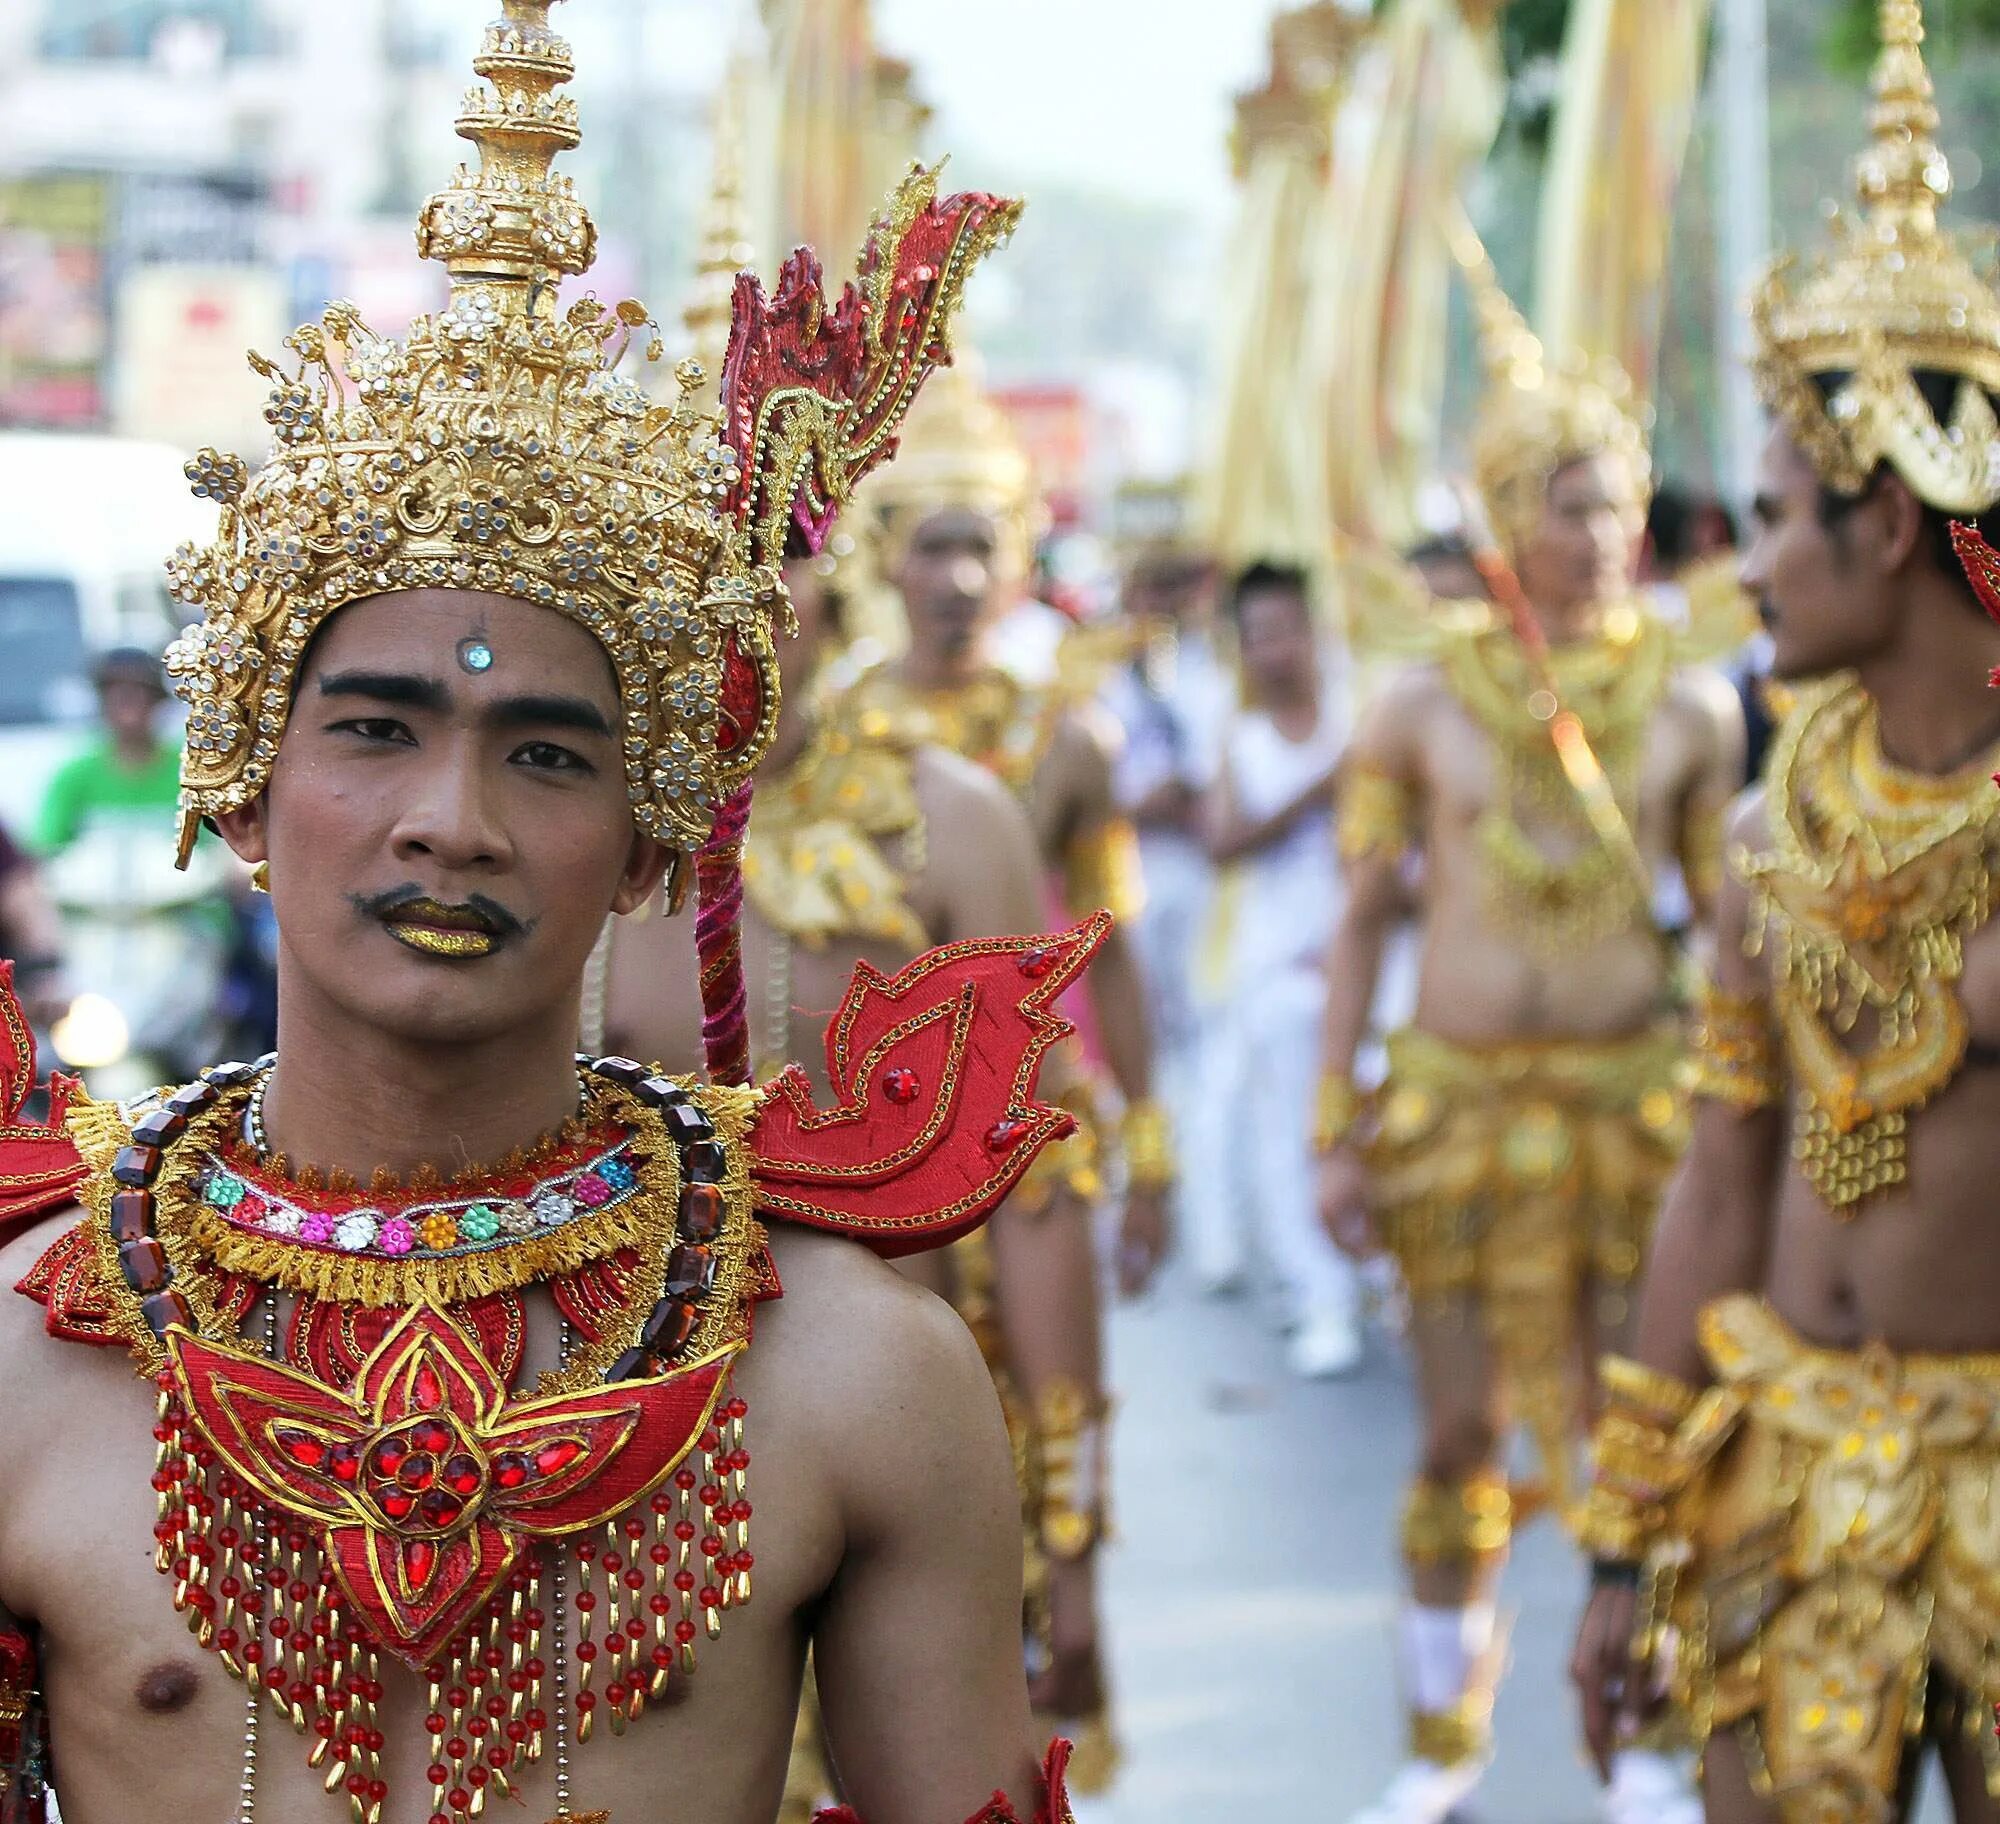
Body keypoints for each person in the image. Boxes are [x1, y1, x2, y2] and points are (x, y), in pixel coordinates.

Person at [0, 12, 1080, 1823]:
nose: (453, 817)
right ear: (245, 792)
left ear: (654, 846)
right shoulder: (29, 1355)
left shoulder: (851, 1367)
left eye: (548, 752)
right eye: (374, 726)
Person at [1571, 9, 2000, 1819]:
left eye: (1770, 515)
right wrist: (1618, 1528)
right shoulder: (1768, 825)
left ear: (1886, 520)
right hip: (1786, 1450)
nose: (1741, 559)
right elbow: (1724, 1166)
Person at [1314, 237, 1744, 1824]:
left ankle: (1638, 1744)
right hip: (1453, 1114)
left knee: (1649, 1445)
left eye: (1620, 497)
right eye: (1572, 500)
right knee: (1456, 1439)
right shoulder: (1416, 707)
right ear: (1507, 518)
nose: (1608, 530)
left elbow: (1732, 941)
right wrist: (1331, 1129)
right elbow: (1359, 925)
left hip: (1644, 1111)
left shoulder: (1697, 708)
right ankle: (1444, 1747)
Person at [604, 528, 1118, 1781]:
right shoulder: (568, 826)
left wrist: (1069, 1528)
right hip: (596, 1455)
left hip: (889, 1460)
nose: (738, 589)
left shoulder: (950, 820)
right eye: (694, 543)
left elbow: (1038, 1188)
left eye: (774, 549)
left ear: (838, 575)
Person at [844, 365, 1174, 1297]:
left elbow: (1110, 947)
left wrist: (1148, 1148)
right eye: (934, 546)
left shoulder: (1069, 743)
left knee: (1054, 1427)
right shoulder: (833, 739)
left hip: (1036, 1125)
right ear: (885, 559)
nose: (959, 577)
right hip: (873, 1139)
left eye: (981, 547)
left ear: (1018, 560)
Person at [1187, 561, 1361, 1376]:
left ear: (1313, 629)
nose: (1273, 649)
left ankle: (1375, 1280)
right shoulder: (1245, 739)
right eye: (1256, 636)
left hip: (1368, 965)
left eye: (1284, 629)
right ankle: (1321, 1298)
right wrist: (1319, 791)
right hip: (1278, 975)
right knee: (1293, 1134)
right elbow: (1220, 841)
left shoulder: (1362, 725)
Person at [1100, 540, 1228, 1240]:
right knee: (1143, 1039)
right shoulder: (1098, 680)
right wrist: (1143, 803)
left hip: (1203, 878)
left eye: (1178, 589)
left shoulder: (1210, 673)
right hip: (1129, 878)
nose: (1165, 606)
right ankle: (1148, 1186)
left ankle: (1211, 1221)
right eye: (1153, 590)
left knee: (1205, 1045)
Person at [31, 647, 181, 856]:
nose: (128, 701)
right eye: (117, 693)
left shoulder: (187, 772)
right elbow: (45, 847)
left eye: (138, 691)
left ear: (157, 701)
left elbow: (217, 845)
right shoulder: (74, 775)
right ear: (102, 700)